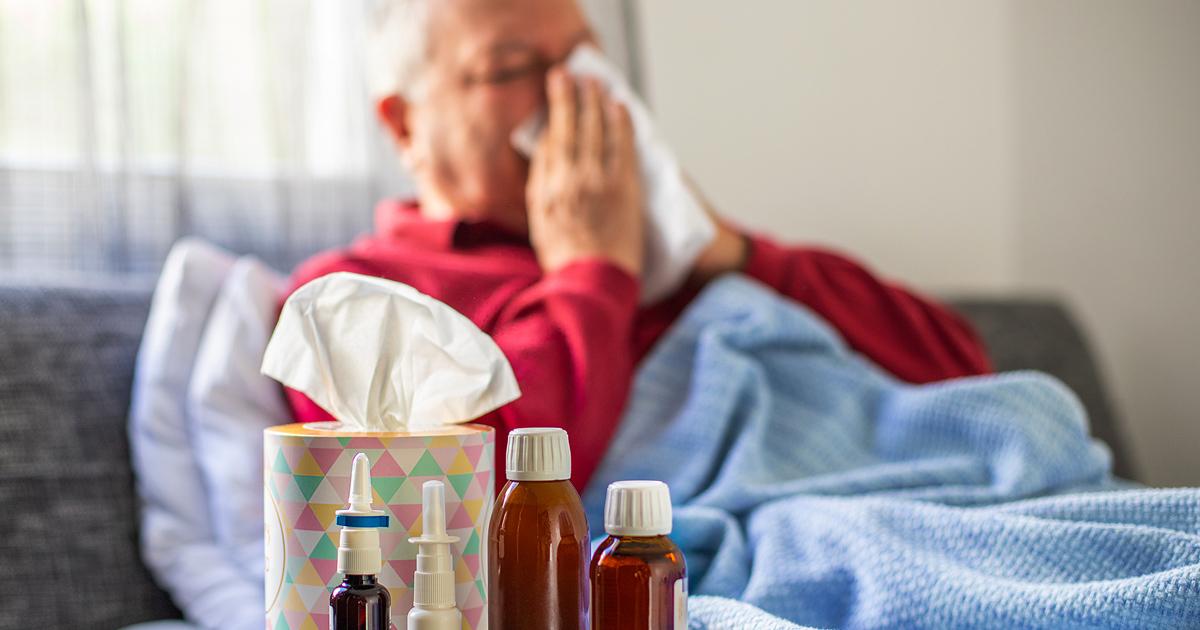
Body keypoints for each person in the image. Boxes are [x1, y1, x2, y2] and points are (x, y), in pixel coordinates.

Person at [283, 0, 992, 491]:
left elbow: (969, 379)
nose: (574, 92)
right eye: (512, 68)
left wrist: (738, 255)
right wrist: (592, 273)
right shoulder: (350, 297)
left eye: (585, 56)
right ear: (404, 123)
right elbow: (467, 500)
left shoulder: (671, 249)